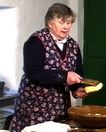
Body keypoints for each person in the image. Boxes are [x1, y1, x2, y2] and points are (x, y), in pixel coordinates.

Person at [10, 3, 87, 131]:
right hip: (35, 107)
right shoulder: (36, 41)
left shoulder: (73, 46)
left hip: (60, 108)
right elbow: (33, 72)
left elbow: (77, 71)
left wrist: (77, 89)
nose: (66, 26)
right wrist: (64, 76)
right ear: (50, 23)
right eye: (61, 22)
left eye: (69, 22)